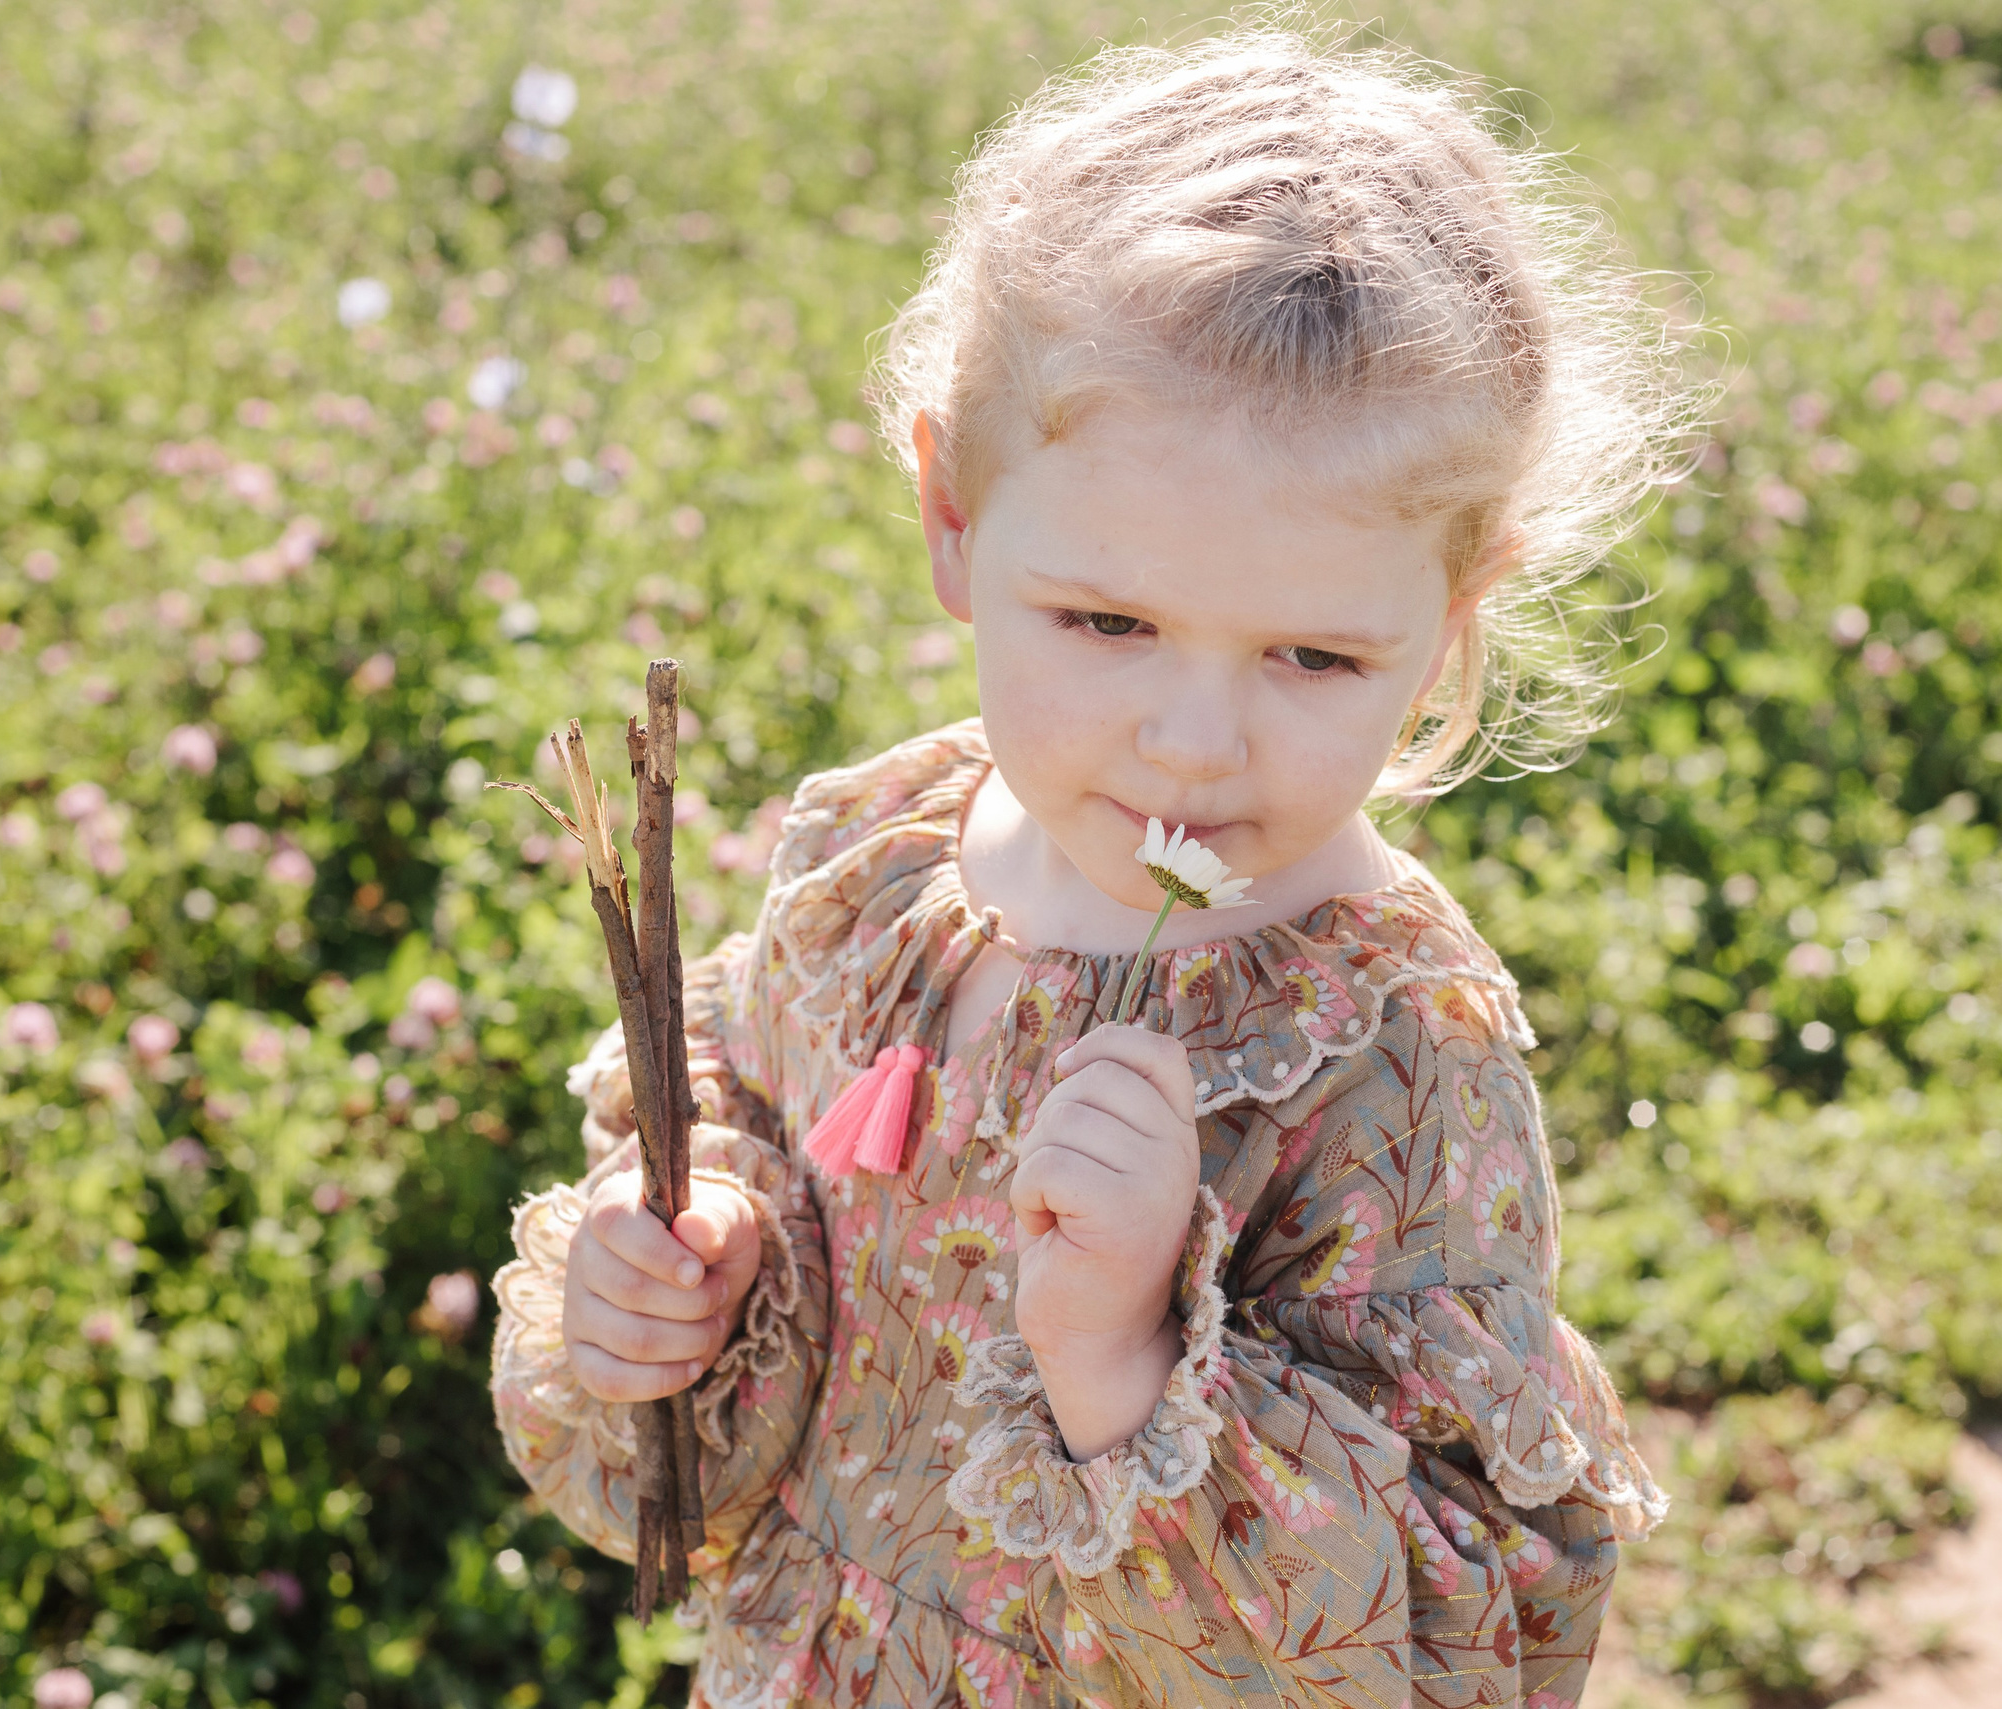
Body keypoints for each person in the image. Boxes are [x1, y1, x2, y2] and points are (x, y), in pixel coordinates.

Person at [491, 25, 1702, 1706]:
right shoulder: (872, 867)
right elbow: (757, 1160)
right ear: (953, 520)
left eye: (1312, 658)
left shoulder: (1387, 1058)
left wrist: (1125, 1364)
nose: (1194, 745)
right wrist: (695, 1274)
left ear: (1450, 620)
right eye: (1110, 624)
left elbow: (1451, 1638)